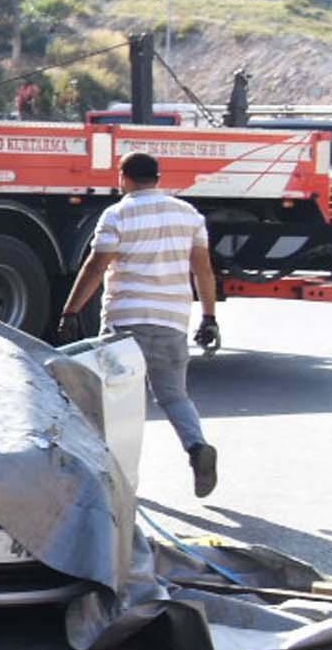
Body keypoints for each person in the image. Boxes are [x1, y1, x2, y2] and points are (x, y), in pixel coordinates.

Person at [59, 152, 220, 497]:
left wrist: (71, 311)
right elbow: (203, 270)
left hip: (124, 322)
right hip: (171, 321)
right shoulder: (189, 215)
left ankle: (115, 478)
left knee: (112, 399)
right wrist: (209, 316)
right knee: (175, 396)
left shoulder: (118, 214)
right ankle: (196, 447)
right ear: (157, 178)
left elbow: (96, 266)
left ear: (124, 177)